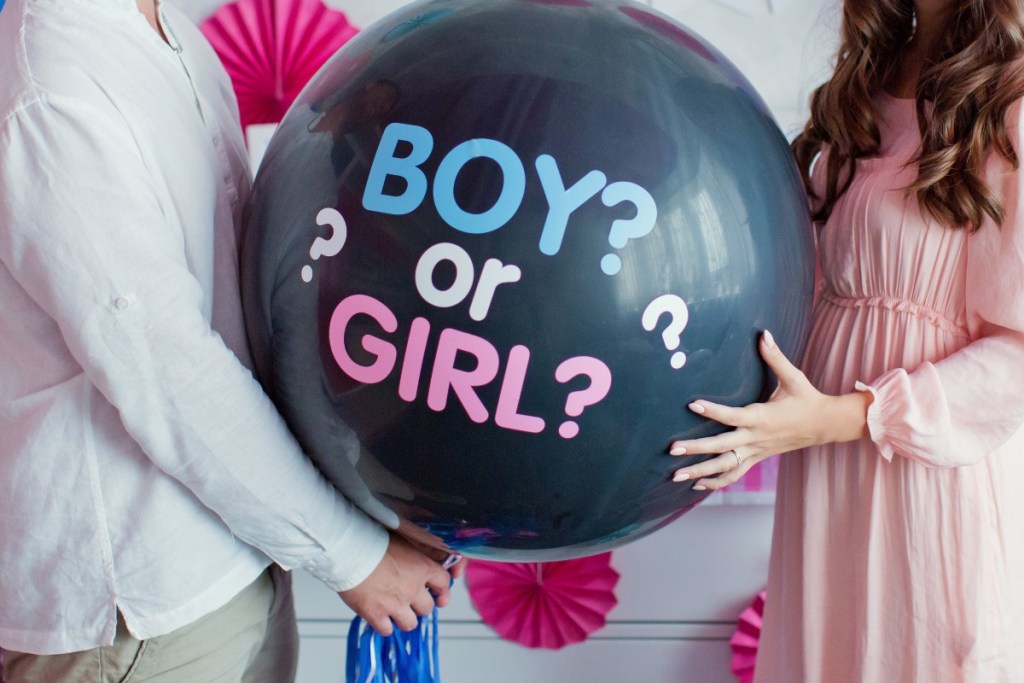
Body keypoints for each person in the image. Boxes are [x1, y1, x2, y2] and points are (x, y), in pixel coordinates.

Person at [0, 0, 458, 680]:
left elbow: (231, 286)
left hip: (245, 547)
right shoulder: (52, 88)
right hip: (139, 606)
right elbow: (170, 372)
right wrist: (354, 553)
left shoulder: (171, 33)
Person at [669, 0, 1024, 680]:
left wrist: (838, 416)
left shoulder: (1012, 100)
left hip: (925, 481)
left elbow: (1017, 358)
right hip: (826, 474)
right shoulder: (868, 81)